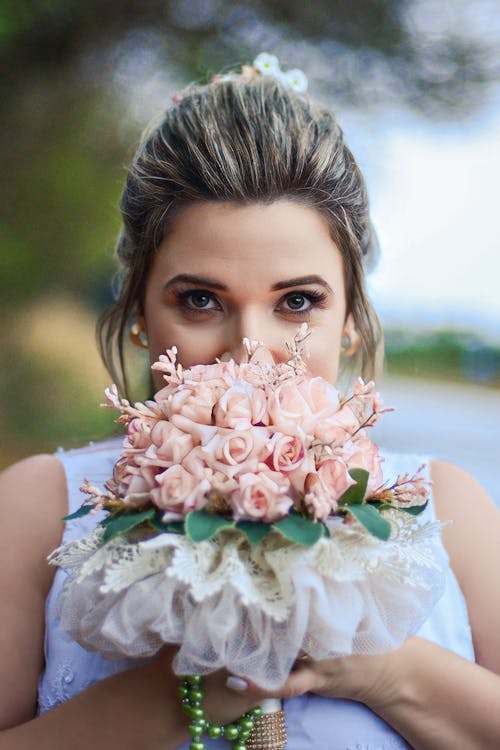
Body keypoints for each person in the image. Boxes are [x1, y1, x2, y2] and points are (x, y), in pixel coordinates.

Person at [1, 56, 500, 750]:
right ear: (140, 311)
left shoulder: (451, 510)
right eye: (200, 300)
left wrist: (378, 668)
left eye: (297, 302)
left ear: (351, 314)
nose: (251, 353)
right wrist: (182, 692)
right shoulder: (36, 508)